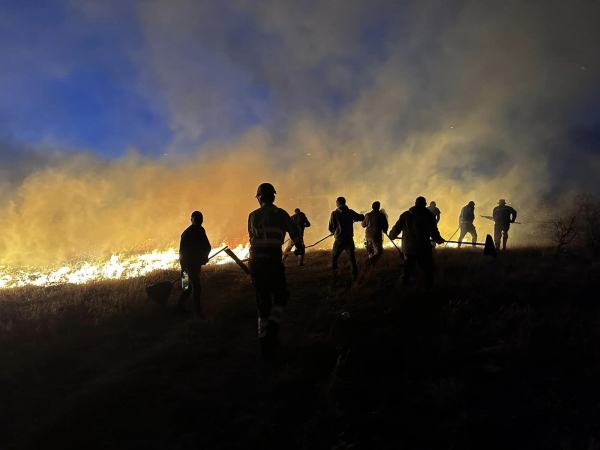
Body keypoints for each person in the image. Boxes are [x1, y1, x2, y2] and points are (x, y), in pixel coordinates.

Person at [248, 183, 304, 358]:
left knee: (263, 300)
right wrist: (300, 247)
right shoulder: (281, 214)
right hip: (273, 260)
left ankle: (264, 340)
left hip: (256, 261)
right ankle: (273, 327)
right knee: (281, 296)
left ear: (260, 198)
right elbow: (295, 234)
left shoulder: (252, 216)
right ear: (273, 196)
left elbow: (253, 236)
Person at [389, 196, 445, 289]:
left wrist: (392, 236)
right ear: (425, 204)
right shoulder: (429, 215)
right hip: (423, 248)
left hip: (408, 248)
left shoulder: (405, 215)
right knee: (428, 270)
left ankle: (400, 289)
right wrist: (439, 240)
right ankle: (428, 291)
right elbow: (433, 231)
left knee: (407, 271)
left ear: (415, 203)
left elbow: (396, 229)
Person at [176, 211, 211, 318]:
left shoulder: (201, 230)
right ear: (191, 219)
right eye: (196, 218)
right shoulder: (186, 234)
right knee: (195, 287)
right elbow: (182, 253)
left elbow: (208, 246)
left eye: (200, 218)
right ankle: (198, 313)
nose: (198, 220)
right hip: (187, 265)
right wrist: (183, 268)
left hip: (196, 264)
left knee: (188, 288)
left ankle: (178, 308)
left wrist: (204, 256)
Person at [329, 197, 365, 280]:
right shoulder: (350, 212)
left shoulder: (334, 213)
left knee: (334, 258)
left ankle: (335, 275)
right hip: (349, 239)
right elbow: (361, 218)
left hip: (339, 239)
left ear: (338, 203)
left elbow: (331, 227)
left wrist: (334, 232)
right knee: (352, 258)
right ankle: (355, 276)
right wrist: (360, 216)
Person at [361, 201, 389, 267]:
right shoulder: (382, 215)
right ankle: (370, 262)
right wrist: (385, 230)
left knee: (370, 251)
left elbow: (363, 225)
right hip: (377, 236)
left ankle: (371, 264)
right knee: (379, 251)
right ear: (379, 207)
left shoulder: (367, 215)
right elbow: (385, 225)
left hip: (368, 236)